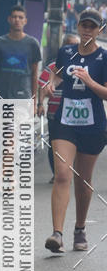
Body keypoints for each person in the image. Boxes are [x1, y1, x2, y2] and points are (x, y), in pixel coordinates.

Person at [45, 7, 107, 253]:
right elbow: (56, 74)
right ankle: (56, 234)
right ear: (79, 27)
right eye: (85, 25)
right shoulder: (66, 51)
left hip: (93, 125)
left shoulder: (104, 57)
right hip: (65, 123)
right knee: (62, 174)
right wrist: (50, 85)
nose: (88, 30)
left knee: (83, 179)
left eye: (93, 26)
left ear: (100, 30)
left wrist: (90, 81)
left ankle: (79, 228)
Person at [0, 5, 41, 196]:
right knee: (5, 140)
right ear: (9, 19)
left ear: (25, 21)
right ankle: (8, 177)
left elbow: (34, 74)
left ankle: (2, 181)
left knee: (10, 139)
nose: (17, 20)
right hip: (2, 97)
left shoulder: (32, 44)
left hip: (22, 99)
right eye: (14, 16)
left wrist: (35, 101)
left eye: (20, 17)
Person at [37, 33, 80, 182]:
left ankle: (67, 171)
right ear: (63, 47)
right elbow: (42, 85)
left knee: (74, 144)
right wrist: (40, 104)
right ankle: (57, 174)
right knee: (54, 145)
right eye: (69, 45)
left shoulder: (82, 67)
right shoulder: (52, 66)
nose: (72, 49)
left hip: (75, 114)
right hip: (55, 113)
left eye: (75, 45)